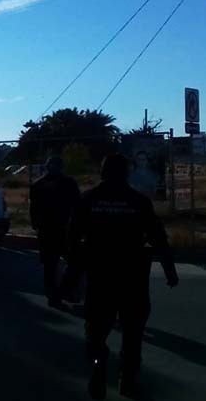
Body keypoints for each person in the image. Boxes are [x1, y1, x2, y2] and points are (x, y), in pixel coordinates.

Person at [69, 154, 179, 400]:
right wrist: (169, 270)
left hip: (99, 276)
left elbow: (73, 242)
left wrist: (72, 276)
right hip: (132, 277)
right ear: (126, 173)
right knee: (132, 333)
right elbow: (158, 238)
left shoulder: (88, 200)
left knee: (95, 332)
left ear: (102, 172)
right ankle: (127, 380)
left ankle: (98, 367)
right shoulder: (138, 201)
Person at [30, 156, 81, 308]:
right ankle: (64, 291)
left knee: (51, 265)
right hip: (64, 228)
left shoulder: (38, 184)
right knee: (72, 262)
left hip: (49, 228)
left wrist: (35, 224)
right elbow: (77, 205)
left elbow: (34, 208)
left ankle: (55, 294)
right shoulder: (69, 183)